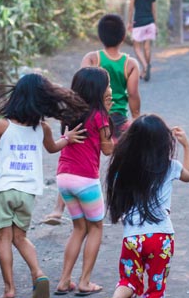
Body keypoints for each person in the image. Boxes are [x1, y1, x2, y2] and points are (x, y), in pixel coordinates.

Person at [0, 74, 87, 298]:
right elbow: (52, 148)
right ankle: (37, 272)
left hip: (3, 190)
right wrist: (67, 139)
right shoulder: (42, 129)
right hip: (28, 192)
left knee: (4, 238)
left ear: (16, 97)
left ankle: (9, 290)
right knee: (20, 237)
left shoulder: (2, 126)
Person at [93, 115, 189, 298]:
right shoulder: (169, 166)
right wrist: (186, 145)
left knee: (128, 281)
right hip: (160, 238)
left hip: (132, 238)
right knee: (155, 286)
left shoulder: (123, 168)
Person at [43, 14, 142, 225]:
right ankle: (125, 206)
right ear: (123, 36)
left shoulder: (92, 58)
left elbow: (81, 85)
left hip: (87, 114)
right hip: (116, 118)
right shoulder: (130, 63)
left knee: (73, 156)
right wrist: (136, 118)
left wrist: (73, 111)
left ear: (100, 35)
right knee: (123, 161)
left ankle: (58, 210)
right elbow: (133, 94)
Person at [53, 67, 116, 297]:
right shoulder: (99, 115)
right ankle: (85, 281)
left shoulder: (69, 113)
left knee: (78, 228)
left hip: (64, 177)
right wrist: (108, 117)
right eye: (107, 85)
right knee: (96, 227)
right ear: (99, 90)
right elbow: (108, 150)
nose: (110, 89)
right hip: (85, 179)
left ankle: (63, 280)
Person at [127, 0, 157, 81]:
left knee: (136, 47)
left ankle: (145, 66)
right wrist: (155, 23)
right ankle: (146, 69)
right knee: (147, 47)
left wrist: (129, 22)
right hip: (150, 23)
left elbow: (130, 9)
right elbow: (154, 10)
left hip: (138, 23)